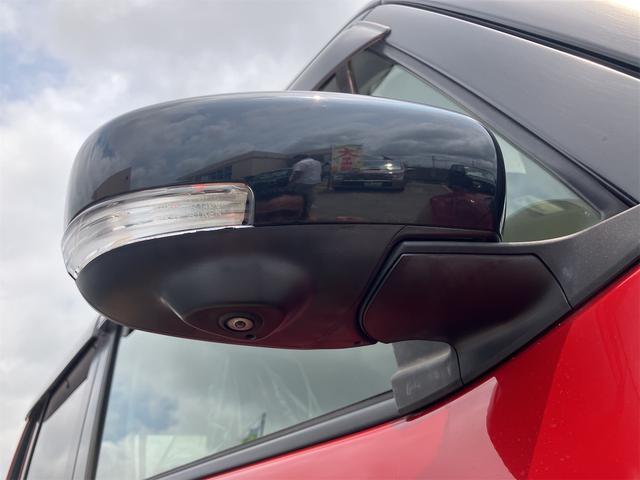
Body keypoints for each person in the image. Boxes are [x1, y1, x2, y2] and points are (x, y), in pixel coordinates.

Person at [288, 155, 322, 220]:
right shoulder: (317, 162)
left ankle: (298, 213)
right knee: (309, 196)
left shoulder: (301, 163)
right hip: (313, 182)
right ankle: (307, 210)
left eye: (294, 159)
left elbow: (297, 173)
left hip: (302, 182)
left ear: (299, 158)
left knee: (296, 196)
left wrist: (291, 184)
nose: (294, 161)